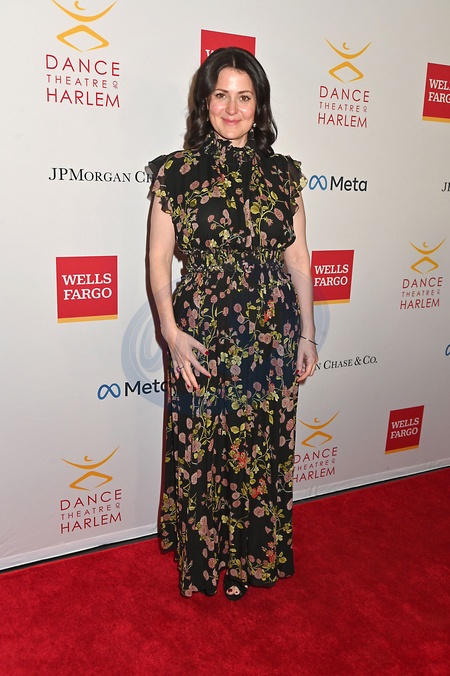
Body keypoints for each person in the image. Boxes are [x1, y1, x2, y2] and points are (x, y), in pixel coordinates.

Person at [148, 47, 318, 600]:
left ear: (259, 106)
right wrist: (171, 334)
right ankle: (205, 559)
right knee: (204, 444)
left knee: (261, 446)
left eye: (244, 97)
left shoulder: (284, 174)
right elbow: (157, 260)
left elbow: (299, 258)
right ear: (205, 101)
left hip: (271, 333)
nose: (232, 107)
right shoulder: (176, 173)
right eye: (221, 95)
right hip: (201, 332)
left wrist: (308, 333)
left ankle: (247, 561)